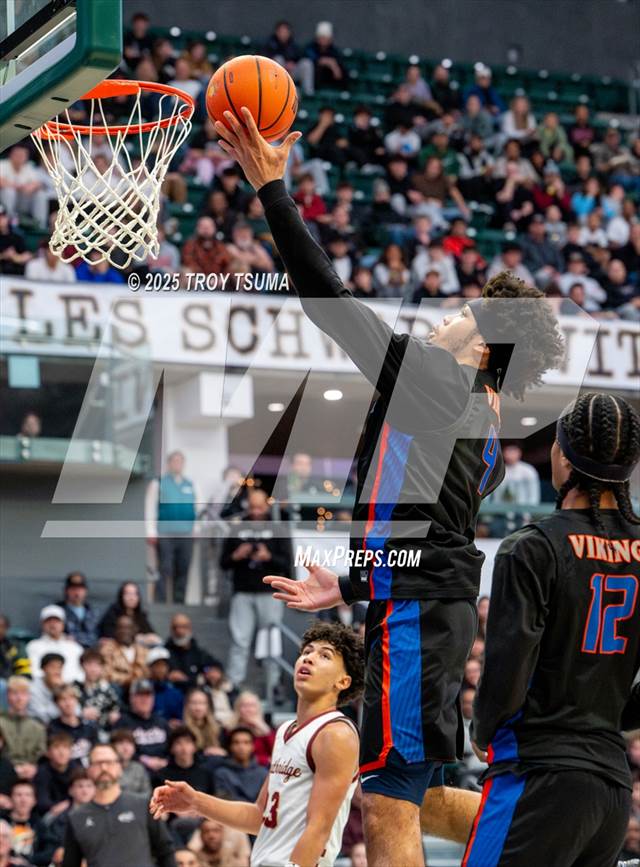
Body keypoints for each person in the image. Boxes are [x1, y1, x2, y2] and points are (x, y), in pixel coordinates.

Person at [212, 106, 564, 867]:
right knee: (423, 794)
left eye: (460, 312)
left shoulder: (442, 382)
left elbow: (327, 302)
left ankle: (558, 831)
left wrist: (274, 190)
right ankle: (556, 837)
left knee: (388, 804)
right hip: (419, 608)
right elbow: (425, 532)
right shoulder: (482, 418)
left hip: (417, 620)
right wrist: (347, 586)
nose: (443, 317)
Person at [463, 394, 640, 866]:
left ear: (561, 456)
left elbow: (508, 661)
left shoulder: (533, 547)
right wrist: (611, 715)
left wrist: (483, 727)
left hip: (537, 773)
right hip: (611, 791)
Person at [151, 622, 363, 867]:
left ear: (343, 682)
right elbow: (259, 816)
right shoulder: (286, 730)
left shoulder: (335, 734)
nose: (309, 658)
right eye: (307, 652)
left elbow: (319, 827)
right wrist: (196, 802)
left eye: (324, 655)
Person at [219, 489, 292, 695]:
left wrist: (268, 557)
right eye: (252, 507)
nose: (256, 511)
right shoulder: (237, 529)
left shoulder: (277, 529)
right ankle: (234, 683)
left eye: (259, 507)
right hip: (242, 591)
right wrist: (237, 555)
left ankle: (273, 683)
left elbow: (287, 564)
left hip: (269, 592)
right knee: (239, 639)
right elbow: (223, 563)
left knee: (270, 638)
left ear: (267, 506)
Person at [61, 742, 174, 867]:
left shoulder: (143, 804)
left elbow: (165, 851)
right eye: (98, 763)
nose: (104, 768)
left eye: (109, 762)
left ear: (119, 767)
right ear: (89, 770)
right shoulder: (76, 817)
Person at [146, 451, 200, 604]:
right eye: (174, 461)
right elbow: (150, 508)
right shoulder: (158, 483)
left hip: (186, 534)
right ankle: (161, 601)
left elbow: (198, 509)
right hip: (165, 533)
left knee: (183, 568)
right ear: (168, 463)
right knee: (165, 568)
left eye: (180, 461)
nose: (177, 464)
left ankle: (179, 602)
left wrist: (196, 529)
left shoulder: (191, 484)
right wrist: (151, 531)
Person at [118, 680, 170, 774]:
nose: (144, 699)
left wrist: (165, 761)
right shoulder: (123, 723)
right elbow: (118, 750)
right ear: (131, 698)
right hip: (135, 772)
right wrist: (145, 760)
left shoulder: (161, 722)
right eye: (140, 695)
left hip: (164, 770)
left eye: (148, 695)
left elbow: (172, 747)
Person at [0, 678, 46, 781]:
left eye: (23, 694)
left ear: (29, 696)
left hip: (31, 774)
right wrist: (11, 768)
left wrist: (33, 767)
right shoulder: (1, 722)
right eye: (15, 693)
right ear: (7, 695)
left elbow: (41, 754)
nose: (19, 698)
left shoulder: (38, 727)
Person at [26, 606, 83, 682]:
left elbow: (81, 674)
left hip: (71, 688)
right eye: (48, 621)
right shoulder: (33, 646)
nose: (52, 624)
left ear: (63, 624)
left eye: (56, 621)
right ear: (42, 624)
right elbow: (34, 671)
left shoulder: (75, 648)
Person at [32, 732, 78, 817]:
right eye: (56, 747)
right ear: (48, 753)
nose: (61, 752)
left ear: (71, 752)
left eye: (65, 747)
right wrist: (56, 808)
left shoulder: (77, 771)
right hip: (50, 813)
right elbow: (42, 800)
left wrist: (68, 804)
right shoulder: (42, 772)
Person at [47, 685, 97, 762]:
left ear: (76, 700)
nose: (68, 703)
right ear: (56, 704)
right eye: (63, 699)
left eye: (71, 698)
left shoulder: (89, 726)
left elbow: (96, 751)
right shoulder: (52, 728)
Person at [75, 649, 121, 732]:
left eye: (97, 665)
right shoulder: (74, 688)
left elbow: (116, 710)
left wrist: (112, 716)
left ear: (102, 667)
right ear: (82, 666)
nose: (93, 669)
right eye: (89, 664)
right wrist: (80, 713)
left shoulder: (109, 689)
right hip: (80, 732)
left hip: (105, 731)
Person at [166, 615, 215, 692]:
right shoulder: (164, 653)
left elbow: (212, 667)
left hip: (194, 694)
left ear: (190, 629)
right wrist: (166, 676)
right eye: (175, 627)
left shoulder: (199, 653)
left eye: (183, 627)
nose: (179, 631)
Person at [227, 692, 275, 768]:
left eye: (252, 706)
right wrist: (264, 759)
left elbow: (276, 752)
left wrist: (263, 727)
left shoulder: (267, 729)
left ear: (258, 709)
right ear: (238, 709)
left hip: (263, 769)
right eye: (244, 706)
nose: (248, 709)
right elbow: (229, 755)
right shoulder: (230, 728)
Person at [57, 572, 100, 649]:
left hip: (90, 653)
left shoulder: (93, 612)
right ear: (66, 591)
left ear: (85, 591)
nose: (77, 592)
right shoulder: (58, 611)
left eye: (80, 589)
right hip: (67, 650)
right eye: (73, 589)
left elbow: (96, 636)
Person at [183, 689, 225, 758]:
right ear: (187, 706)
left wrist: (221, 752)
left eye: (202, 703)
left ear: (208, 706)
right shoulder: (183, 730)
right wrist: (205, 752)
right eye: (194, 703)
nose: (198, 708)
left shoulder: (218, 729)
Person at [146, 647, 184, 723]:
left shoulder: (176, 693)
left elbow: (180, 717)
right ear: (150, 668)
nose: (161, 669)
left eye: (164, 665)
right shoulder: (142, 691)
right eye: (157, 665)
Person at [110, 730, 151, 798]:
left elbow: (147, 795)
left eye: (130, 743)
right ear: (112, 746)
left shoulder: (139, 768)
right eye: (120, 743)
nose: (126, 748)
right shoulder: (107, 768)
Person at [28, 653, 65, 725]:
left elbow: (76, 711)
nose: (57, 672)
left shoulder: (63, 686)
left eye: (59, 667)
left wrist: (59, 690)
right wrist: (62, 712)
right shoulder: (32, 687)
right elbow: (41, 716)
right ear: (43, 669)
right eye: (52, 667)